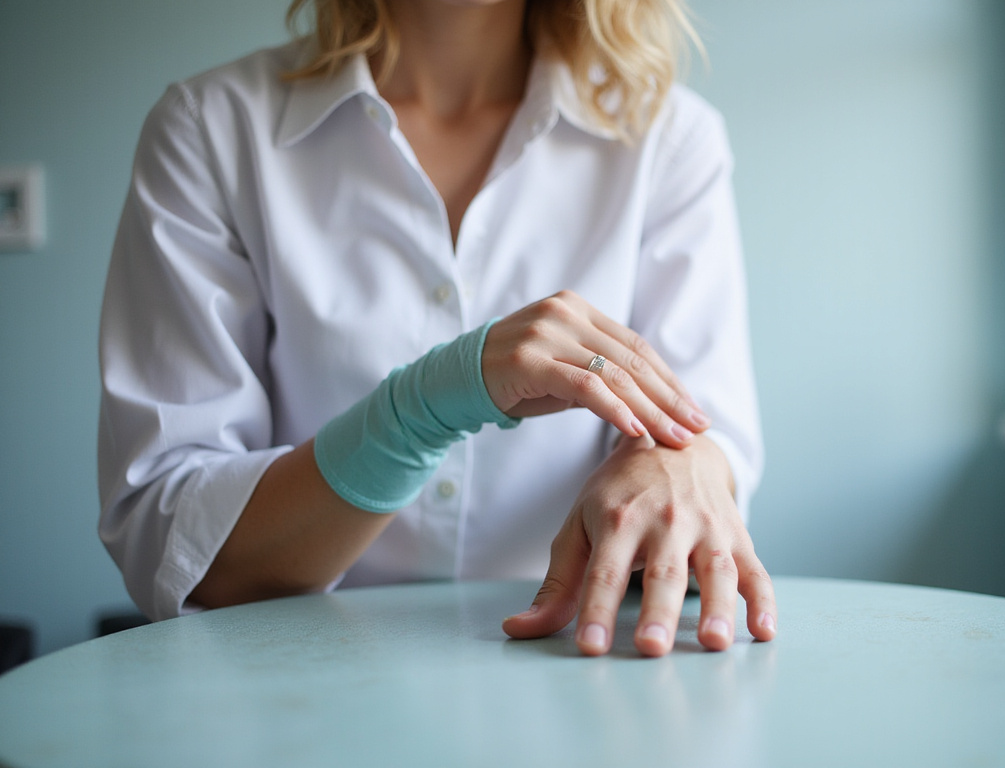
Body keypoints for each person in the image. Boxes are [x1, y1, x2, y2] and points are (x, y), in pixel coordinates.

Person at [98, 0, 774, 658]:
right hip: (293, 686)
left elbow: (706, 443)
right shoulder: (212, 131)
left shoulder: (666, 137)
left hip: (576, 671)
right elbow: (178, 548)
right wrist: (414, 416)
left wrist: (680, 464)